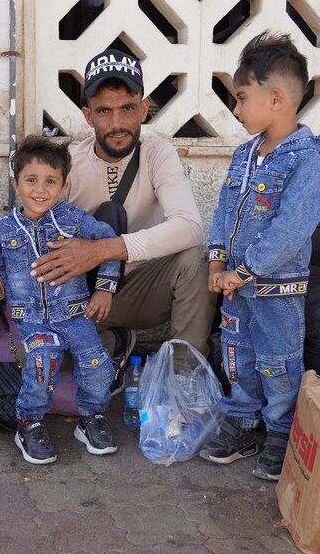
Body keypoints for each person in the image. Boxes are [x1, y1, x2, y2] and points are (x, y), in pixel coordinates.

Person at [200, 31, 320, 480]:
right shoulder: (244, 155)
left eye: (241, 98)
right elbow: (222, 211)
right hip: (234, 287)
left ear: (276, 98)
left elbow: (291, 230)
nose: (235, 110)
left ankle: (281, 432)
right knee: (238, 354)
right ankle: (242, 423)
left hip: (276, 290)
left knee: (278, 361)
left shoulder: (306, 162)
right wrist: (217, 262)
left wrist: (245, 270)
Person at [29, 48, 214, 368]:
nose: (117, 123)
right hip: (81, 301)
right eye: (104, 111)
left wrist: (102, 250)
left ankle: (184, 382)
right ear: (88, 115)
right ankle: (110, 342)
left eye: (127, 108)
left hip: (141, 291)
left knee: (195, 260)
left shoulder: (157, 154)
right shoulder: (67, 163)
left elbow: (190, 226)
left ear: (143, 109)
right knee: (30, 355)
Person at [0, 135, 122, 465]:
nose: (40, 190)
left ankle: (91, 417)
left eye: (51, 181)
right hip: (33, 321)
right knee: (41, 364)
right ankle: (29, 422)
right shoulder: (2, 229)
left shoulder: (73, 220)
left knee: (98, 365)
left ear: (63, 185)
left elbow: (110, 243)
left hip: (75, 315)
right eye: (31, 180)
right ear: (15, 183)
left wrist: (105, 288)